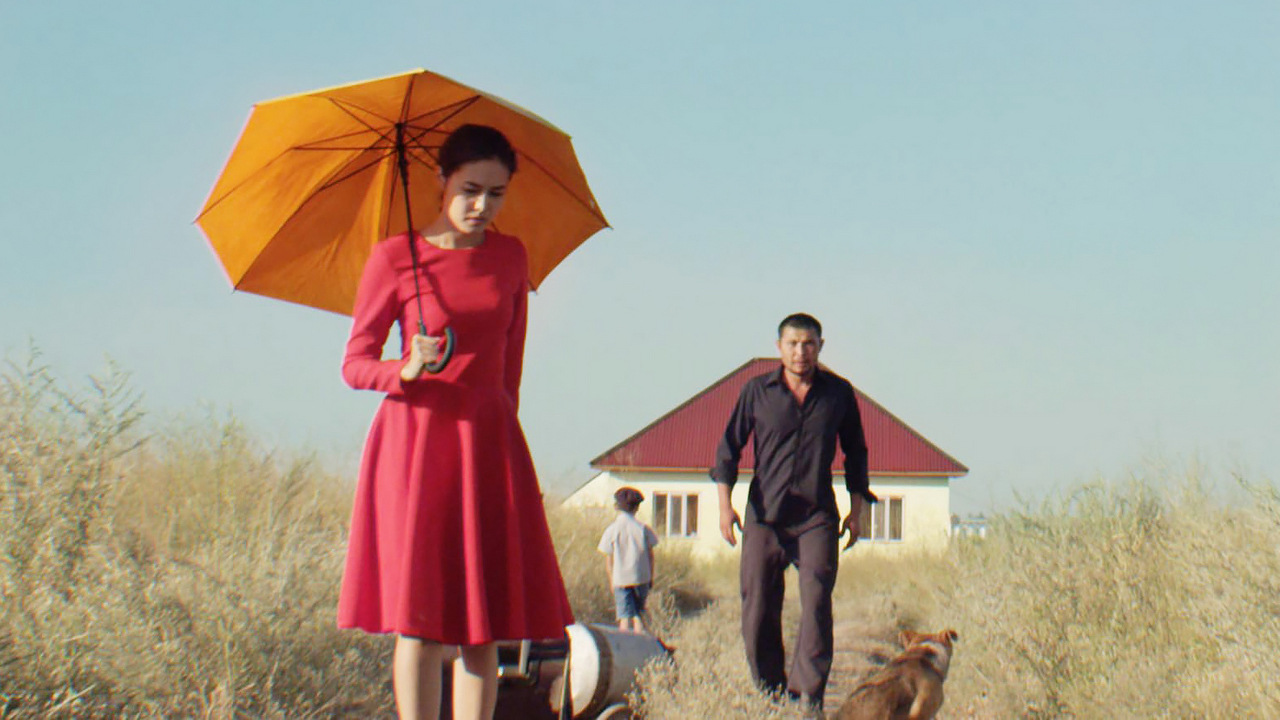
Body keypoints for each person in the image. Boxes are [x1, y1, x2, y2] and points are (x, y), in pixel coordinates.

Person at [337, 124, 575, 720]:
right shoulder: (394, 258)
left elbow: (510, 367)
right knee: (418, 624)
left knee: (481, 624)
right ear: (442, 181)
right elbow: (354, 364)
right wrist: (404, 368)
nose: (481, 206)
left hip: (488, 444)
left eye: (496, 194)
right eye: (470, 189)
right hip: (414, 446)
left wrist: (504, 451)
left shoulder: (511, 256)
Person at [711, 313, 876, 715]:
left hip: (815, 516)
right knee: (757, 606)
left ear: (820, 347)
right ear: (779, 347)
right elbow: (728, 449)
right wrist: (724, 508)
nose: (801, 352)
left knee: (816, 600)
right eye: (793, 344)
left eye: (809, 344)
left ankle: (807, 698)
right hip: (764, 516)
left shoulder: (838, 394)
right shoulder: (757, 392)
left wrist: (856, 512)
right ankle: (770, 693)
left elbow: (856, 452)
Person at [597, 486, 660, 634]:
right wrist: (651, 577)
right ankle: (641, 644)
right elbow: (651, 556)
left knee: (624, 618)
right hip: (641, 578)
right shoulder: (643, 529)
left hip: (620, 580)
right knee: (639, 617)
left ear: (617, 506)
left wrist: (611, 582)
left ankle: (624, 645)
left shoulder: (612, 530)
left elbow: (609, 561)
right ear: (636, 508)